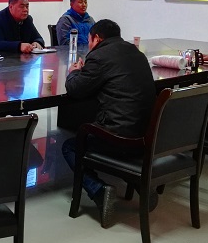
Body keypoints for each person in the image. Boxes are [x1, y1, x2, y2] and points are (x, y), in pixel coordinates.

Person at [61, 19, 157, 228]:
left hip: (121, 137)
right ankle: (139, 182)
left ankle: (99, 190)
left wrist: (74, 72)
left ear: (96, 38)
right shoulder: (136, 53)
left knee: (70, 146)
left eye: (90, 41)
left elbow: (76, 89)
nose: (89, 46)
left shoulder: (99, 56)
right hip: (147, 133)